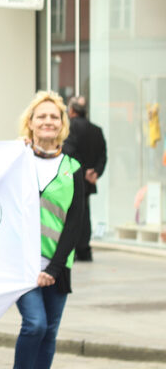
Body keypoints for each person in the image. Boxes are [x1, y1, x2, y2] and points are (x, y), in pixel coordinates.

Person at [8, 91, 84, 369]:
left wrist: (54, 267)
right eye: (42, 116)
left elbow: (75, 221)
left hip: (56, 266)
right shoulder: (16, 159)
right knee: (35, 324)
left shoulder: (73, 168)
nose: (48, 121)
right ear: (31, 123)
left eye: (54, 117)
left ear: (62, 124)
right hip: (21, 264)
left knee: (50, 332)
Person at [62, 96, 107, 262]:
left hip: (73, 177)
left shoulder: (69, 128)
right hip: (89, 179)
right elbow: (103, 154)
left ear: (72, 111)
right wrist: (95, 172)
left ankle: (72, 249)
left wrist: (83, 171)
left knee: (71, 213)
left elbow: (70, 151)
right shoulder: (97, 129)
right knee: (84, 213)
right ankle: (84, 249)